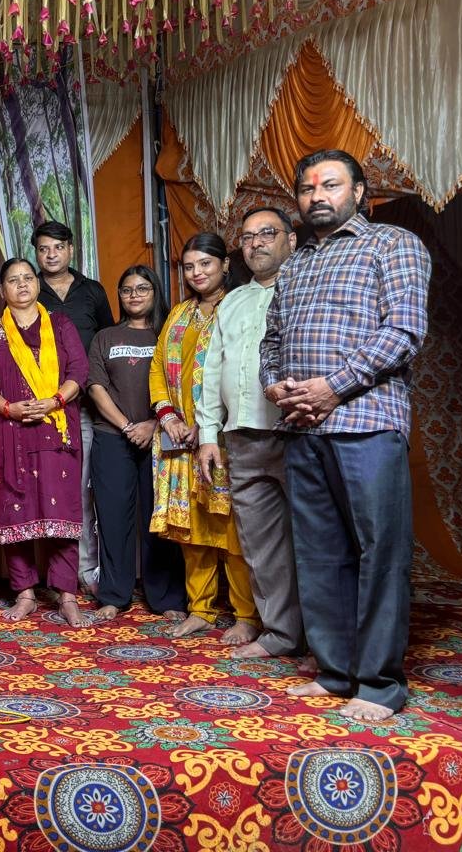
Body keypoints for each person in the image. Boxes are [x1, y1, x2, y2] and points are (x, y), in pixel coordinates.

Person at [262, 149, 431, 720]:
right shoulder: (295, 265)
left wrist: (332, 387)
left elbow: (404, 330)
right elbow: (271, 341)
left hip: (367, 423)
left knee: (380, 552)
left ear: (358, 192)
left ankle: (379, 684)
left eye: (331, 185)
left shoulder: (393, 245)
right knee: (318, 554)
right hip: (302, 427)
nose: (318, 196)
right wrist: (275, 386)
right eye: (308, 188)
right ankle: (335, 672)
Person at [195, 207, 304, 660]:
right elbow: (211, 368)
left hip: (297, 432)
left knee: (312, 539)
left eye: (267, 233)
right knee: (260, 543)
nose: (256, 243)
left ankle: (325, 641)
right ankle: (280, 633)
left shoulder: (307, 289)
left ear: (291, 240)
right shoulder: (233, 301)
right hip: (241, 436)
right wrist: (208, 433)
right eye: (247, 237)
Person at [149, 232, 258, 642]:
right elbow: (157, 366)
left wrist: (209, 423)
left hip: (224, 439)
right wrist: (168, 416)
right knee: (191, 529)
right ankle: (201, 609)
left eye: (205, 264)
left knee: (231, 530)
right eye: (189, 266)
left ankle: (247, 616)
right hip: (178, 440)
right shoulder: (180, 313)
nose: (196, 273)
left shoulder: (240, 306)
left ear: (225, 265)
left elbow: (244, 368)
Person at [0, 257, 89, 626]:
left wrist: (55, 401)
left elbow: (79, 371)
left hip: (56, 428)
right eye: (13, 280)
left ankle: (66, 595)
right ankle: (25, 593)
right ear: (1, 290)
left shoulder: (60, 324)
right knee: (14, 510)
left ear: (37, 284)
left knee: (61, 511)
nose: (22, 285)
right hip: (9, 432)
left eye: (27, 278)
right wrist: (8, 408)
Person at [85, 265, 186, 622]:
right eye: (127, 290)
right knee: (113, 518)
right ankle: (114, 594)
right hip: (113, 436)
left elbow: (180, 386)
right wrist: (128, 426)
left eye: (142, 288)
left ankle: (166, 597)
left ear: (155, 292)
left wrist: (152, 424)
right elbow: (96, 387)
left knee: (160, 518)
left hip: (162, 435)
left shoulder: (169, 334)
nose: (134, 295)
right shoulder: (105, 337)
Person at [33, 221, 115, 594]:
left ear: (70, 249)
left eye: (58, 247)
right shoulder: (29, 290)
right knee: (53, 490)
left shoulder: (92, 291)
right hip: (45, 409)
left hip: (89, 405)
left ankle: (88, 570)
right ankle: (56, 574)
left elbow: (107, 342)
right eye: (43, 248)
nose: (51, 254)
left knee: (88, 489)